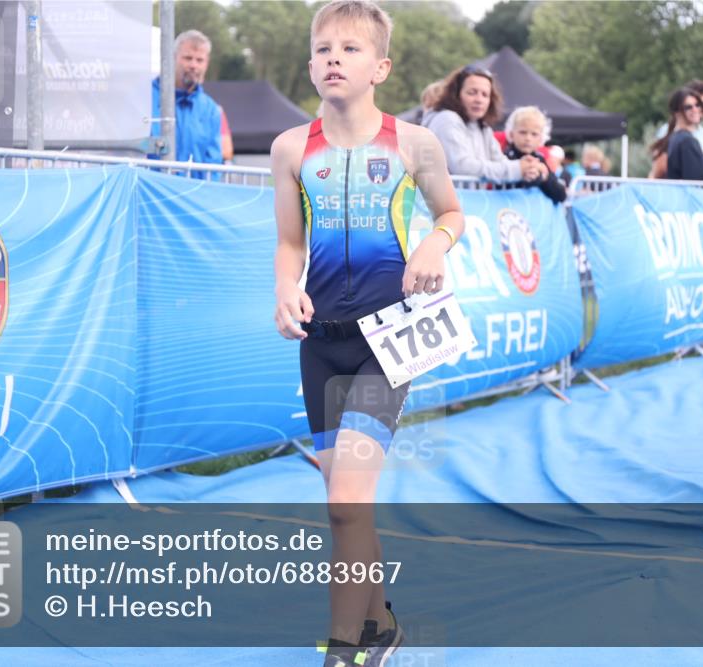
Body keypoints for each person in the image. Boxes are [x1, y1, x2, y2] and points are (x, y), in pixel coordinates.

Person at [269, 2, 465, 665]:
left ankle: (347, 649)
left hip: (390, 340)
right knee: (344, 504)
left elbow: (452, 213)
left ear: (380, 67)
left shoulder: (415, 144)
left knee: (347, 502)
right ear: (309, 64)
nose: (333, 57)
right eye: (322, 48)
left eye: (350, 49)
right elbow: (289, 243)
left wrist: (436, 245)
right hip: (320, 346)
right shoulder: (290, 149)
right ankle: (380, 621)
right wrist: (283, 287)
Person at [425, 65, 524, 183]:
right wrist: (518, 169)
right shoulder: (446, 119)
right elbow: (462, 167)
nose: (479, 100)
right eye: (472, 92)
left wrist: (528, 167)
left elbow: (500, 161)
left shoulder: (483, 127)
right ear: (456, 94)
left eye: (485, 95)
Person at [149, 30, 224, 166]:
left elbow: (214, 163)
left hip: (192, 187)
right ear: (172, 58)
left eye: (199, 60)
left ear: (206, 63)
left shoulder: (210, 110)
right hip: (150, 187)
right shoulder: (145, 98)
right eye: (188, 58)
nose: (193, 65)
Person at [650, 79, 703, 178]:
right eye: (689, 106)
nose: (698, 109)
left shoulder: (701, 132)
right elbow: (659, 167)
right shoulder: (669, 132)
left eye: (702, 105)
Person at [502, 106, 566, 203]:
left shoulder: (540, 160)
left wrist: (544, 177)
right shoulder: (504, 158)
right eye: (523, 132)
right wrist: (520, 172)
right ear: (511, 134)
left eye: (534, 134)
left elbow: (561, 195)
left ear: (541, 139)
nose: (528, 138)